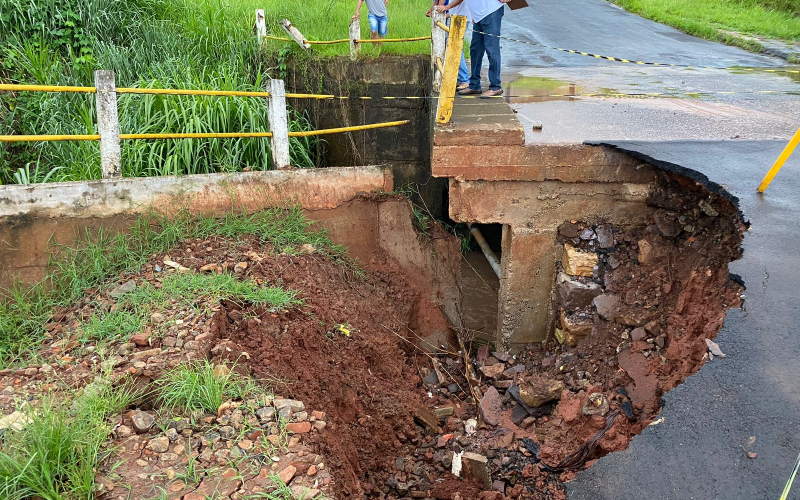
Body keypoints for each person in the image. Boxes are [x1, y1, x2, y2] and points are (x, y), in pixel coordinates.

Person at [438, 0, 510, 97]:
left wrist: (447, 7)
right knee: (475, 50)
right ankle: (474, 85)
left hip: (491, 12)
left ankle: (495, 86)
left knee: (492, 50)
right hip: (478, 17)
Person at [428, 0, 470, 90]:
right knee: (452, 47)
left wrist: (444, 7)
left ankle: (464, 79)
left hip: (460, 18)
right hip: (455, 16)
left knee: (455, 48)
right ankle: (459, 78)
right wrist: (434, 9)